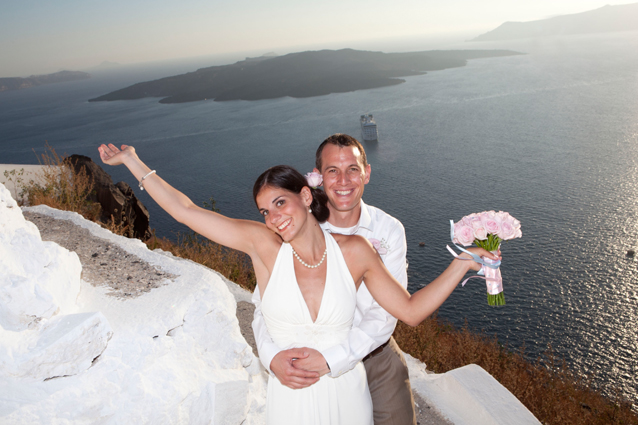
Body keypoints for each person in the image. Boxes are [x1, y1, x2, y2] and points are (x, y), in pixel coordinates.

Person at [98, 143, 498, 425]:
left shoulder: (355, 250)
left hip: (345, 390)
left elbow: (410, 312)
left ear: (306, 197)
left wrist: (462, 262)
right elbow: (186, 211)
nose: (273, 217)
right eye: (264, 210)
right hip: (291, 395)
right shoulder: (264, 246)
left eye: (280, 203)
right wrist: (133, 161)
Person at [252, 134, 415, 424]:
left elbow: (388, 312)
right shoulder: (295, 223)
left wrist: (336, 358)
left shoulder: (388, 229)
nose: (343, 180)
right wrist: (271, 356)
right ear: (316, 178)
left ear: (366, 173)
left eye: (352, 169)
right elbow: (266, 303)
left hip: (374, 354)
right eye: (332, 171)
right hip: (306, 359)